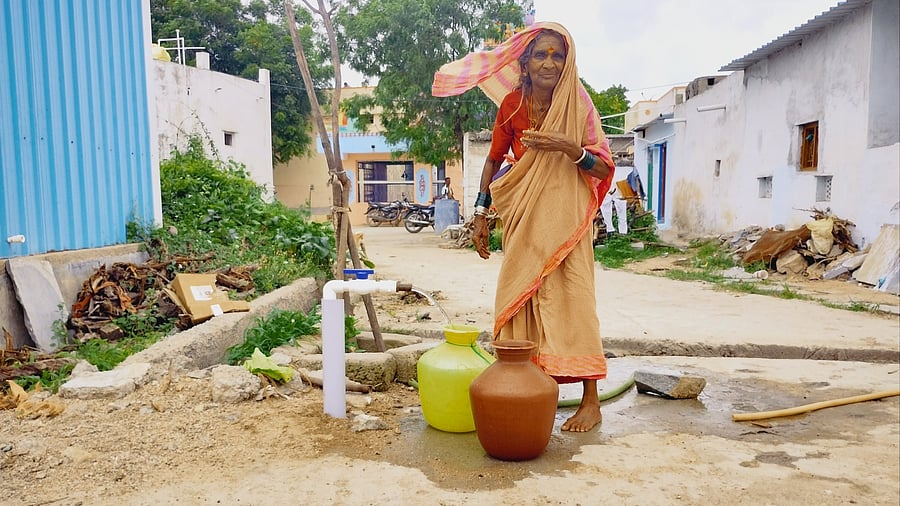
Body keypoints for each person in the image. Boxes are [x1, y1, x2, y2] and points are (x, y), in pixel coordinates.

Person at [432, 22, 615, 432]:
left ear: (567, 63)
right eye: (540, 54)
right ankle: (530, 389)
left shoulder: (579, 104)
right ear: (525, 64)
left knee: (575, 301)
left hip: (566, 220)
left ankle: (590, 401)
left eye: (557, 55)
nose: (549, 62)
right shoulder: (512, 105)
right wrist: (480, 214)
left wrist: (572, 149)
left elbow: (603, 165)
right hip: (523, 220)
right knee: (520, 298)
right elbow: (494, 160)